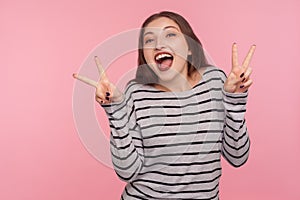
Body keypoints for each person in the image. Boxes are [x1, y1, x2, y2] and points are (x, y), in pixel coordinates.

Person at [73, 11, 255, 200]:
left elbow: (238, 157)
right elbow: (127, 172)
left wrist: (235, 99)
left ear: (190, 47)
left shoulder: (215, 81)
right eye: (149, 40)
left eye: (170, 34)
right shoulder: (136, 92)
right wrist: (115, 110)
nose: (159, 44)